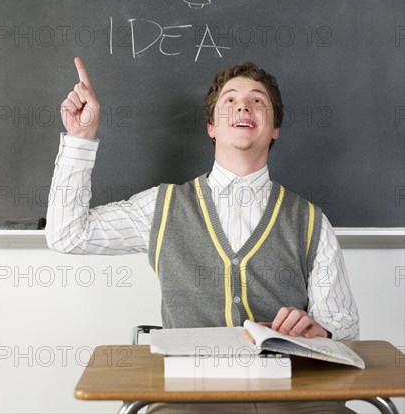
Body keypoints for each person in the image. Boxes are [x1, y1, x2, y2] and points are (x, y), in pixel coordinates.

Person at [46, 57, 359, 413]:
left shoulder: (311, 221)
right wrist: (80, 140)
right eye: (230, 100)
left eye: (258, 100)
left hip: (293, 396)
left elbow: (345, 328)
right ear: (211, 126)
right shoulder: (160, 208)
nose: (244, 105)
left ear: (274, 129)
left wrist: (321, 331)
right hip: (188, 397)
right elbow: (67, 234)